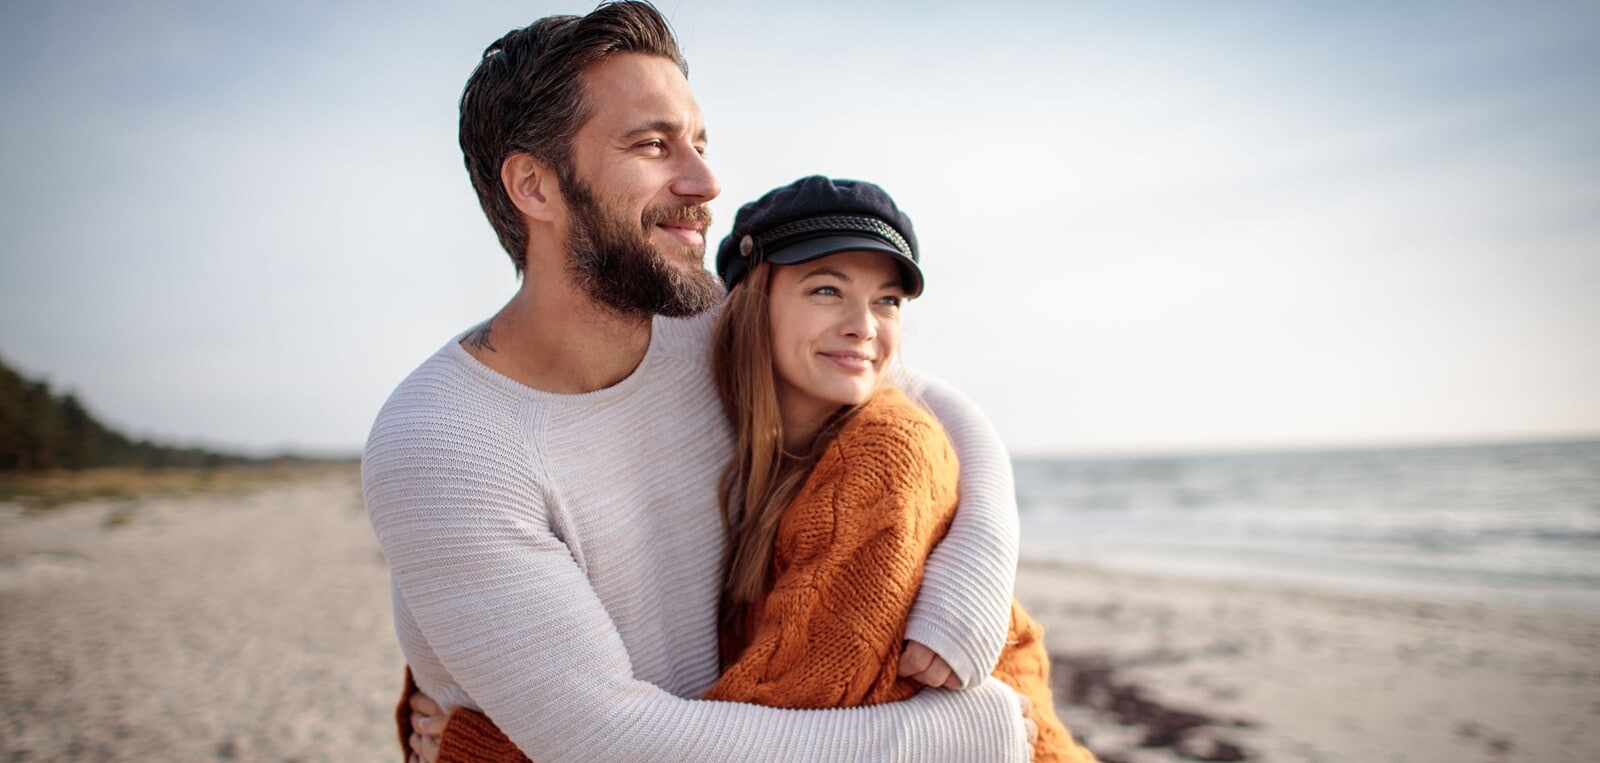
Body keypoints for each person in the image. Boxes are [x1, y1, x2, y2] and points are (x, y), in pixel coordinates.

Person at [365, 3, 1032, 761]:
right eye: (653, 144)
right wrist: (960, 735)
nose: (706, 180)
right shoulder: (445, 442)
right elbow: (613, 741)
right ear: (535, 187)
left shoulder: (698, 326)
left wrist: (976, 562)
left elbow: (926, 397)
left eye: (700, 142)